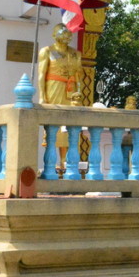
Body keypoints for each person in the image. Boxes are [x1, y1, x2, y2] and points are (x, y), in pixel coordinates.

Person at [37, 23, 85, 170]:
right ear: (54, 35)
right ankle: (50, 162)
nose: (66, 35)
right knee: (53, 125)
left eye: (67, 33)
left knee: (68, 125)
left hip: (70, 91)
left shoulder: (75, 54)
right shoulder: (47, 51)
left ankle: (65, 161)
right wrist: (42, 96)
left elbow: (79, 76)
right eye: (62, 32)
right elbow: (41, 75)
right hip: (54, 88)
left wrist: (79, 91)